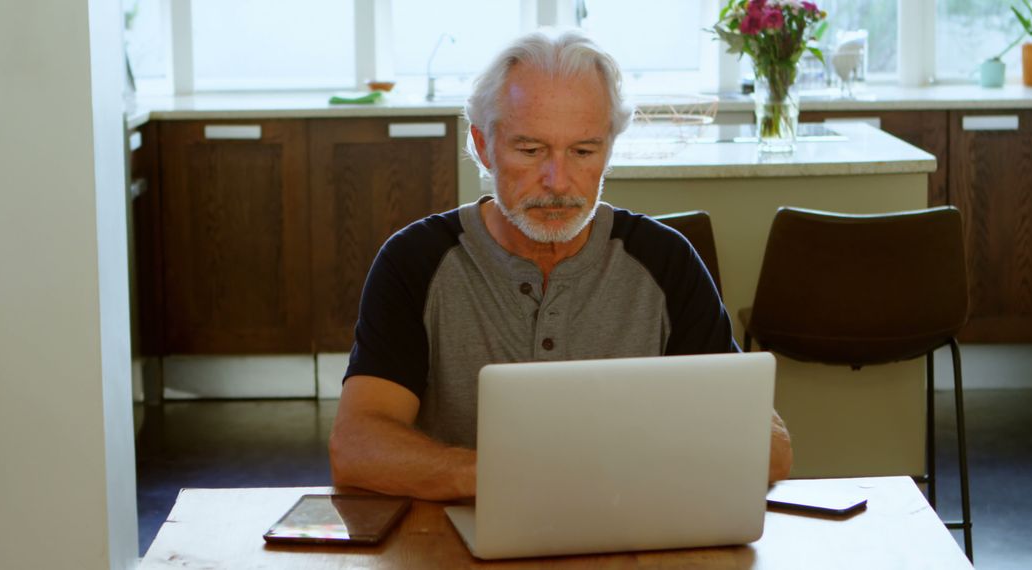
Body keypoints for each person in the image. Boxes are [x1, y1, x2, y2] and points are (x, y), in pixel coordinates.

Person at [329, 28, 793, 500]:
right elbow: (357, 445)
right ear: (484, 145)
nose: (557, 180)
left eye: (583, 151)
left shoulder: (665, 261)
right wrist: (504, 480)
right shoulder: (415, 261)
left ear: (609, 149)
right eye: (530, 151)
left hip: (628, 535)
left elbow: (773, 448)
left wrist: (619, 481)